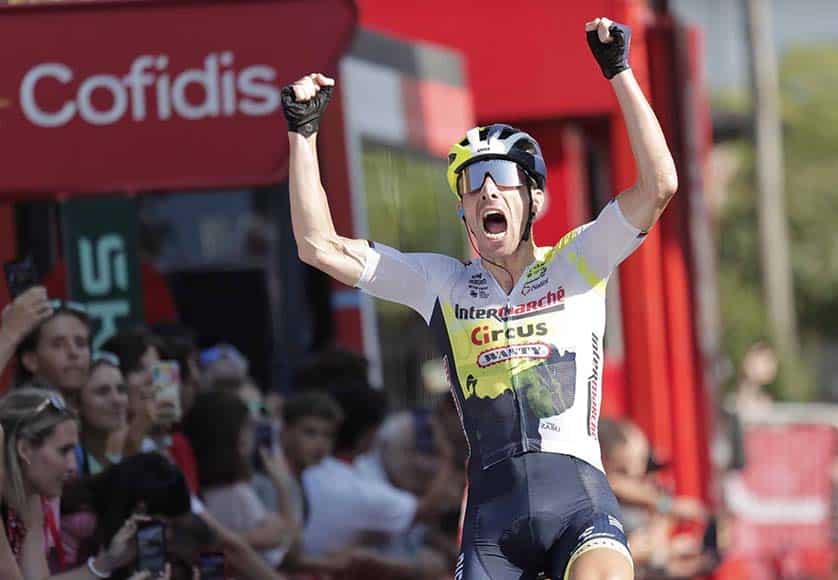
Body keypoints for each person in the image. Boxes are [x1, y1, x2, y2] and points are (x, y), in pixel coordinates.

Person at [283, 16, 678, 579]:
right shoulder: (441, 282)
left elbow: (659, 185)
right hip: (494, 520)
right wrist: (303, 133)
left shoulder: (577, 261)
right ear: (463, 210)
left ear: (534, 198)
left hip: (579, 502)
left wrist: (619, 72)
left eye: (502, 175)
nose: (487, 189)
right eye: (471, 182)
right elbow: (317, 246)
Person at [0, 388, 144, 578]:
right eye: (64, 451)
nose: (73, 467)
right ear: (24, 449)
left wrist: (107, 562)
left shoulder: (30, 497)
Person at [182, 389, 296, 569]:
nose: (254, 434)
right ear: (238, 438)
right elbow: (282, 555)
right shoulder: (235, 494)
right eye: (249, 427)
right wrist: (282, 486)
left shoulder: (201, 490)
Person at [14, 299, 92, 405]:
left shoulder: (91, 415)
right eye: (58, 345)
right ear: (31, 360)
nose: (74, 352)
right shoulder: (18, 414)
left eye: (81, 343)